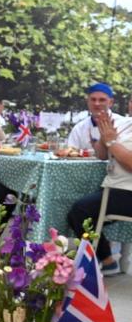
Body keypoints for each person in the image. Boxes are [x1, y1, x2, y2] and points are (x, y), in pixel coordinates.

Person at [67, 110, 132, 276]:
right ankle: (105, 259)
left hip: (127, 191)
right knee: (81, 209)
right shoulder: (125, 124)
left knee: (80, 211)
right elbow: (102, 155)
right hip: (113, 187)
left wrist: (112, 142)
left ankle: (105, 260)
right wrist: (104, 138)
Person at [66, 82, 125, 151]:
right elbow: (71, 152)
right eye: (93, 100)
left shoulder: (123, 124)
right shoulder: (79, 128)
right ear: (87, 101)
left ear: (111, 102)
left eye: (102, 100)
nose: (96, 104)